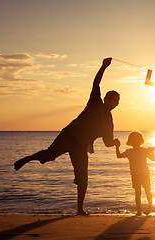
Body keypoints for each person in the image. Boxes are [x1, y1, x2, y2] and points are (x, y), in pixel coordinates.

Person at [13, 57, 120, 215]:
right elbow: (96, 83)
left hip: (80, 147)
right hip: (68, 136)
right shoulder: (95, 102)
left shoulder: (109, 122)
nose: (116, 104)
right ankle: (27, 158)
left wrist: (116, 143)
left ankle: (79, 209)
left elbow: (107, 142)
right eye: (114, 100)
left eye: (118, 102)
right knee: (49, 155)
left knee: (83, 179)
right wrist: (104, 67)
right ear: (107, 98)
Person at [115, 131, 155, 216]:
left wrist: (152, 151)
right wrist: (117, 147)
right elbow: (119, 156)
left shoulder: (144, 150)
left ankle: (150, 207)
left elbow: (153, 159)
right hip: (135, 175)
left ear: (141, 141)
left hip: (144, 174)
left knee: (148, 191)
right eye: (134, 141)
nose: (136, 142)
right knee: (138, 193)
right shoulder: (128, 151)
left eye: (137, 140)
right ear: (130, 142)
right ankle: (138, 211)